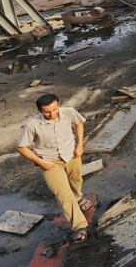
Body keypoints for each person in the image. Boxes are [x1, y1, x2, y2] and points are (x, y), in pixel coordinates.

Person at [17, 94, 91, 241]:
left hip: (72, 155)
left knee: (76, 180)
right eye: (47, 112)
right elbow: (21, 147)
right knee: (63, 195)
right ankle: (79, 226)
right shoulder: (32, 125)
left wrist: (80, 144)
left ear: (59, 104)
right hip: (49, 163)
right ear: (40, 111)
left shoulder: (69, 112)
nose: (52, 114)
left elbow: (79, 124)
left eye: (55, 109)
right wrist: (40, 161)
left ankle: (78, 197)